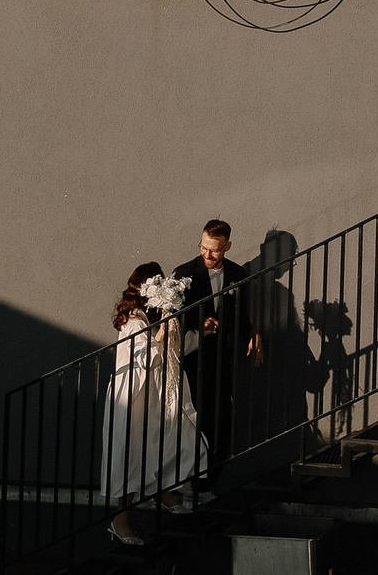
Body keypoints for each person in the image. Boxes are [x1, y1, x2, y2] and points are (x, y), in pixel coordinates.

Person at [101, 262, 203, 541]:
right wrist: (163, 332)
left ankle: (165, 493)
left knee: (157, 443)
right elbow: (148, 356)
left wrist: (197, 335)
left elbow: (172, 351)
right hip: (133, 396)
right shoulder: (134, 321)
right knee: (132, 454)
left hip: (153, 393)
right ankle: (119, 522)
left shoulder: (149, 317)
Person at [174, 220, 260, 471]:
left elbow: (240, 315)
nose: (207, 254)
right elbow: (174, 321)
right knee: (191, 420)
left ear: (228, 246)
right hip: (191, 359)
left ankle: (211, 475)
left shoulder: (236, 274)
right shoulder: (184, 274)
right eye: (203, 248)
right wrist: (201, 325)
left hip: (222, 359)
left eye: (215, 250)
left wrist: (253, 334)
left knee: (220, 418)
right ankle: (188, 477)